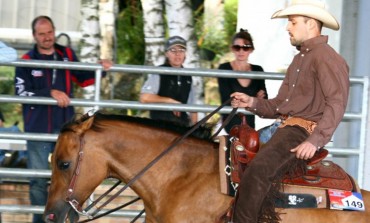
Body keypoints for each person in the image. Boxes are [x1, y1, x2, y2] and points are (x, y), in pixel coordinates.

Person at [229, 0, 350, 222]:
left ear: (311, 24)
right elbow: (279, 106)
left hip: (300, 132)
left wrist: (315, 140)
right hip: (285, 127)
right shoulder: (299, 59)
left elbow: (337, 102)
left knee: (258, 171)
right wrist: (251, 102)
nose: (288, 28)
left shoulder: (327, 58)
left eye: (293, 23)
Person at [14, 15, 112, 223]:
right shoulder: (26, 61)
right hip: (37, 131)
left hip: (66, 132)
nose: (47, 37)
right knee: (39, 180)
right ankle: (40, 221)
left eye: (50, 32)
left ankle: (68, 219)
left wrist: (99, 69)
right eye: (42, 34)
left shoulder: (66, 54)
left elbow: (83, 79)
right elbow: (20, 93)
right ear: (34, 36)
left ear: (54, 31)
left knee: (72, 179)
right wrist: (49, 92)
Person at [140, 36, 197, 127]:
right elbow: (144, 97)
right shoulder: (160, 72)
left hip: (181, 126)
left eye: (181, 50)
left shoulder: (188, 76)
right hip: (160, 125)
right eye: (173, 50)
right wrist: (170, 101)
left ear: (185, 54)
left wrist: (194, 129)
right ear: (166, 54)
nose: (177, 54)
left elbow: (193, 108)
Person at [217, 29, 268, 133]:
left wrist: (243, 103)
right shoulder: (224, 68)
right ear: (232, 49)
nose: (241, 51)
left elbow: (264, 99)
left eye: (245, 48)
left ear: (251, 49)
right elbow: (227, 99)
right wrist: (252, 101)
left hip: (249, 126)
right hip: (228, 127)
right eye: (237, 47)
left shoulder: (258, 70)